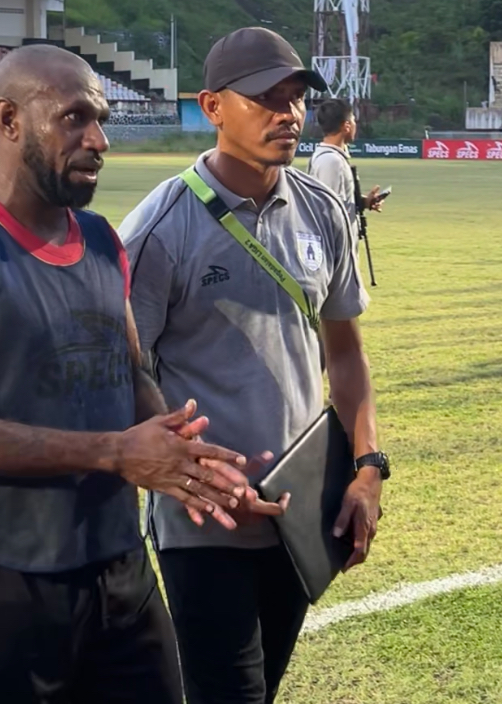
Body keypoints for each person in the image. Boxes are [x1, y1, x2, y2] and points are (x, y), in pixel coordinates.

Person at [0, 44, 251, 704]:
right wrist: (115, 453)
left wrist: (191, 466)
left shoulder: (103, 240)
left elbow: (131, 373)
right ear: (8, 120)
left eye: (102, 119)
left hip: (118, 569)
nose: (99, 139)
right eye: (75, 119)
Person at [120, 27, 386, 704]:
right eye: (266, 97)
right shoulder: (159, 228)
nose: (288, 113)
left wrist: (368, 468)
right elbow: (122, 377)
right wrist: (196, 470)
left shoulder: (321, 208)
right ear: (212, 106)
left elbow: (346, 354)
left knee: (261, 688)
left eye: (296, 97)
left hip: (301, 516)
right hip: (206, 524)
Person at [307, 98, 380, 230]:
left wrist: (363, 202)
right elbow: (329, 213)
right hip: (336, 248)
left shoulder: (331, 158)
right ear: (346, 126)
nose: (355, 125)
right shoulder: (330, 161)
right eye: (353, 120)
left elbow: (340, 203)